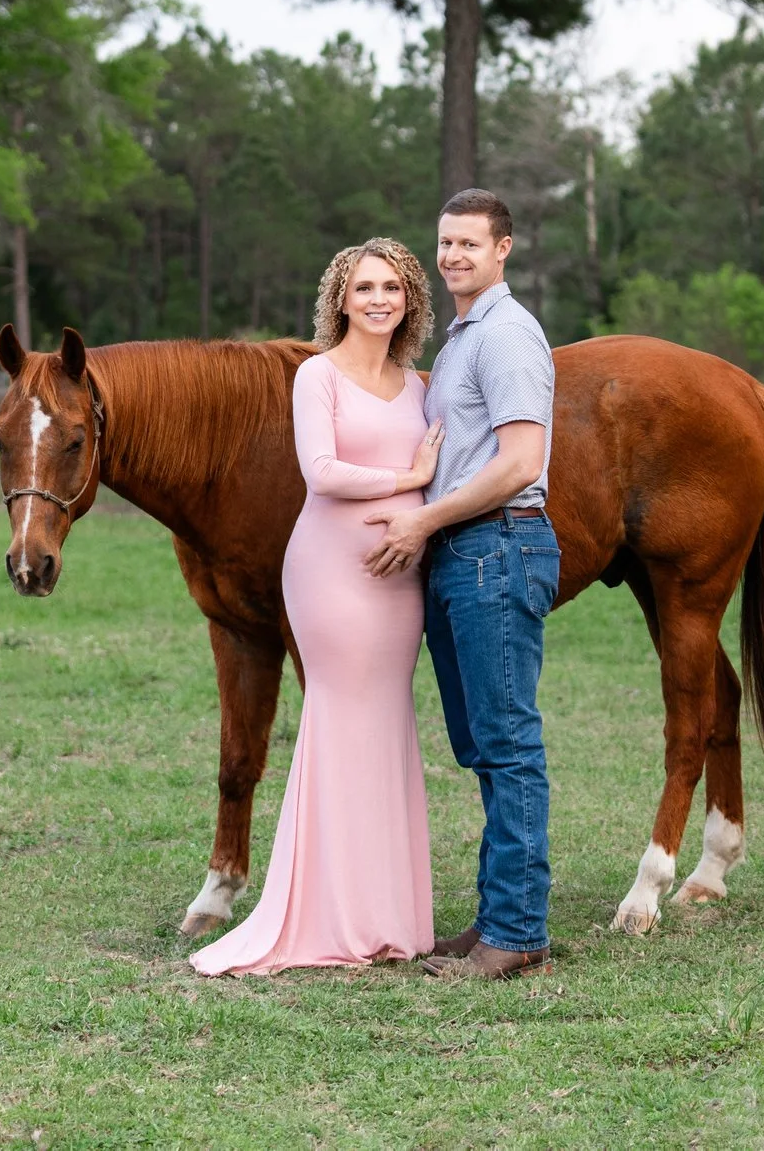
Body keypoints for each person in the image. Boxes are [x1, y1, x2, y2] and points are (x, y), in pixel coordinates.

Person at [191, 238, 446, 976]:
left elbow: (435, 484)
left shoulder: (417, 384)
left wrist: (419, 519)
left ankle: (389, 914)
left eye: (392, 287)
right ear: (341, 297)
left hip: (399, 579)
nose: (378, 299)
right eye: (364, 286)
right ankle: (323, 912)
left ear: (409, 300)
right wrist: (410, 473)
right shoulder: (316, 377)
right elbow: (323, 471)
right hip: (331, 573)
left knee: (388, 722)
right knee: (338, 719)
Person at [361, 189, 558, 982]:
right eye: (445, 243)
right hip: (461, 551)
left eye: (470, 244)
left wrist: (424, 518)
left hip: (496, 544)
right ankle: (496, 917)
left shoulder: (508, 335)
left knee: (509, 744)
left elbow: (520, 462)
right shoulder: (462, 336)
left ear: (503, 249)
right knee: (483, 745)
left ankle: (518, 934)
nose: (453, 257)